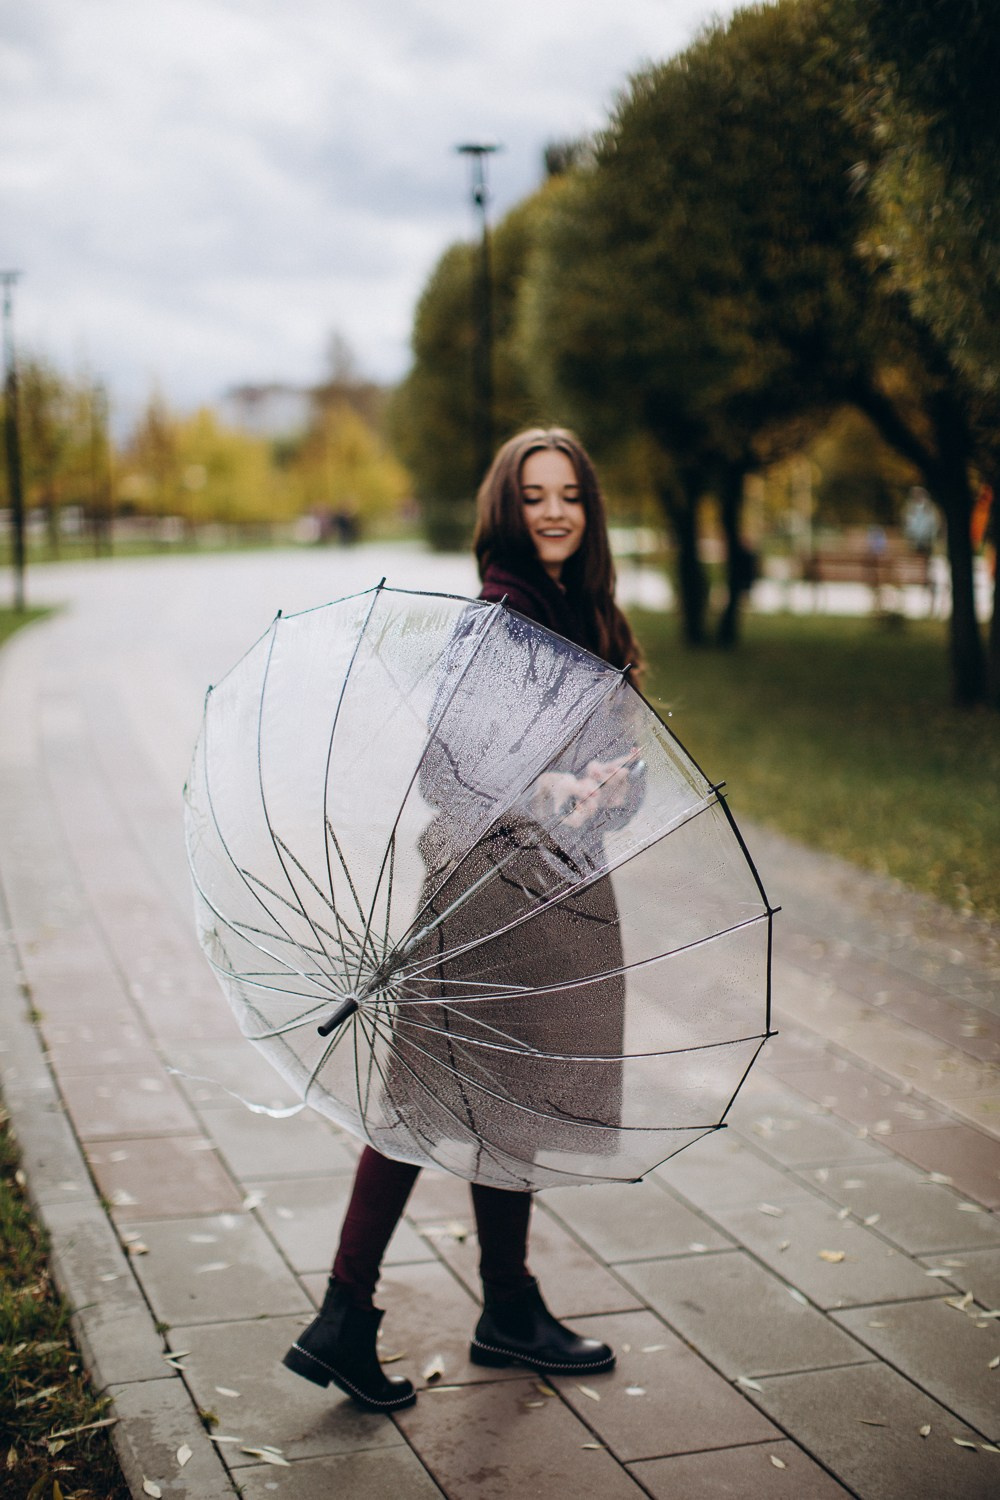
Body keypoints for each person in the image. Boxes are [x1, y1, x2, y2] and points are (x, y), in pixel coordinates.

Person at [282, 427, 644, 1413]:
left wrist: (611, 783)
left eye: (570, 492)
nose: (556, 510)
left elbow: (626, 779)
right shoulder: (499, 621)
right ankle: (349, 1313)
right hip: (491, 888)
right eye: (535, 496)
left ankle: (503, 1307)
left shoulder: (584, 614)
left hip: (555, 891)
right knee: (426, 1098)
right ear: (507, 508)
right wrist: (550, 782)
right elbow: (448, 768)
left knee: (509, 1093)